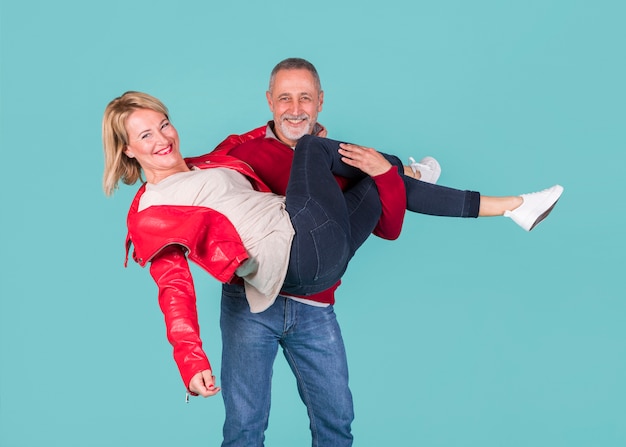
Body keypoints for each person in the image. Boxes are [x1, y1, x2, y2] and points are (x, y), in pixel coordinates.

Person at [201, 58, 563, 447]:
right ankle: (423, 175)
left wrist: (386, 175)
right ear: (269, 101)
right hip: (253, 299)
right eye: (285, 98)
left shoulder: (338, 163)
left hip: (314, 302)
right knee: (244, 428)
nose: (294, 108)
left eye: (305, 98)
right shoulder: (248, 152)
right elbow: (200, 178)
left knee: (336, 424)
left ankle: (500, 202)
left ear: (320, 101)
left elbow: (388, 229)